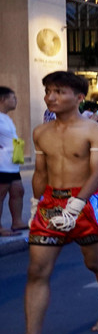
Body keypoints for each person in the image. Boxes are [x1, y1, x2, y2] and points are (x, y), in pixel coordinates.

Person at [1, 72, 98, 334]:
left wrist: (75, 207)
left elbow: (97, 173)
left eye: (59, 92)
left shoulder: (95, 131)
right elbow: (41, 172)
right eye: (48, 91)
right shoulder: (41, 132)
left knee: (95, 263)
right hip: (51, 204)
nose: (50, 97)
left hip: (85, 203)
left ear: (78, 98)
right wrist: (35, 205)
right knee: (36, 271)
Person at [0, 86, 28, 236]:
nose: (16, 100)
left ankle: (17, 222)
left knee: (18, 190)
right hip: (2, 164)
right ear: (3, 99)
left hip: (12, 163)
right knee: (1, 194)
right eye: (13, 97)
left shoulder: (6, 117)